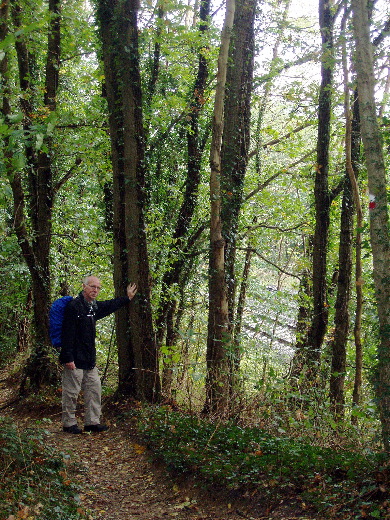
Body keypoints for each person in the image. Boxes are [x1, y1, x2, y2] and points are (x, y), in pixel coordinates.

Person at [59, 275, 137, 434]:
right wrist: (68, 357)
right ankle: (68, 424)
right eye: (92, 286)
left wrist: (127, 298)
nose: (95, 290)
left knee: (94, 390)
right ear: (84, 287)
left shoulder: (93, 307)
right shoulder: (74, 306)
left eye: (98, 288)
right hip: (74, 359)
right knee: (71, 393)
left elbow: (109, 305)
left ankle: (92, 423)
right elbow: (67, 333)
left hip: (89, 360)